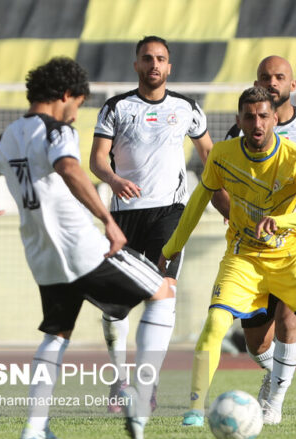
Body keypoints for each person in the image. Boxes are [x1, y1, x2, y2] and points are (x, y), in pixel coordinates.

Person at [0, 57, 175, 439]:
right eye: (77, 105)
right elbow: (70, 168)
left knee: (57, 334)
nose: (76, 114)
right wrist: (108, 222)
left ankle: (34, 427)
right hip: (82, 247)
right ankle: (140, 398)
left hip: (42, 257)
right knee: (163, 293)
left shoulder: (6, 137)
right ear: (65, 96)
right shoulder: (57, 130)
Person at [180, 55, 296, 429]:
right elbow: (218, 184)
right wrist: (240, 216)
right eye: (265, 76)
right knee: (257, 342)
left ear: (293, 85)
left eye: (280, 76)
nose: (273, 82)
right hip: (249, 249)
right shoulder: (237, 137)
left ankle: (275, 401)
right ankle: (275, 373)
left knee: (291, 320)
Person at [89, 35, 213, 413]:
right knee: (115, 309)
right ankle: (120, 380)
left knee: (164, 292)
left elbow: (209, 156)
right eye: (147, 58)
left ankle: (147, 385)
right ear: (136, 65)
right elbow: (97, 159)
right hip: (124, 216)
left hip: (170, 212)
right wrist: (112, 180)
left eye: (160, 59)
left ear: (169, 67)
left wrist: (221, 200)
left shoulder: (187, 108)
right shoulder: (117, 108)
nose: (154, 64)